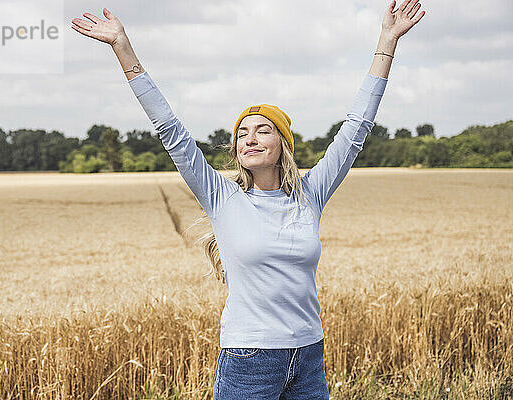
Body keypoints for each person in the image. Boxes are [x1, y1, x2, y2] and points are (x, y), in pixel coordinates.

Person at [71, 1, 425, 398]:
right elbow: (170, 129)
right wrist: (123, 48)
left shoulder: (311, 194)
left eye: (263, 130)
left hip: (308, 353)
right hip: (250, 357)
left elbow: (356, 128)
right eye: (242, 133)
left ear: (283, 145)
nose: (249, 138)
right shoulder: (222, 198)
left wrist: (386, 43)